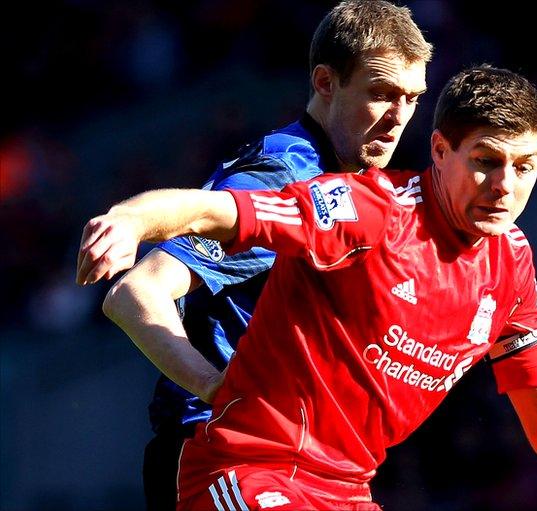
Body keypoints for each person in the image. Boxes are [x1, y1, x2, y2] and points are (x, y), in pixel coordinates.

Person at [77, 66, 537, 511]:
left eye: (524, 167)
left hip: (346, 491)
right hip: (249, 471)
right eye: (486, 161)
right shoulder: (369, 210)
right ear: (440, 150)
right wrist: (133, 219)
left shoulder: (511, 264)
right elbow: (215, 212)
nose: (505, 185)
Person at [95, 1, 431, 508]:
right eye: (381, 94)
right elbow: (135, 293)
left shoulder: (357, 185)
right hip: (218, 456)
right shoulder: (284, 176)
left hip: (298, 465)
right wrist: (218, 389)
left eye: (411, 97)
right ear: (324, 82)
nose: (398, 117)